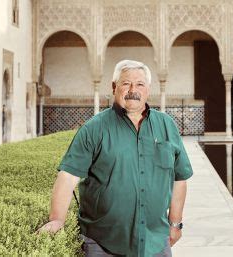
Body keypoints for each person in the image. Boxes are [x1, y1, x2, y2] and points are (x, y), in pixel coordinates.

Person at [38, 60, 193, 257]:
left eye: (139, 84)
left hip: (155, 241)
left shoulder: (166, 126)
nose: (133, 90)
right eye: (126, 83)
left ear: (148, 90)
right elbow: (68, 176)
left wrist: (175, 223)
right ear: (114, 87)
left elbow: (179, 178)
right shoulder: (94, 129)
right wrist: (57, 219)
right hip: (102, 244)